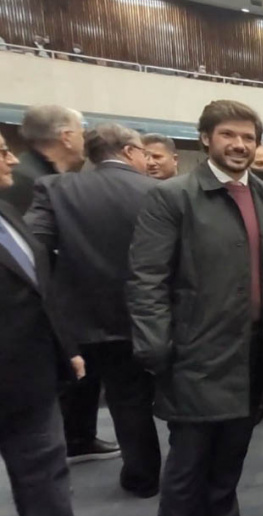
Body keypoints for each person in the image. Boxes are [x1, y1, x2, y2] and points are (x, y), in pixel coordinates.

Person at [128, 100, 263, 516]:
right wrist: (156, 350)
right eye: (228, 135)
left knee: (233, 449)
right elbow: (147, 279)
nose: (239, 145)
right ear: (205, 138)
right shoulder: (171, 197)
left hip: (255, 351)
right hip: (194, 352)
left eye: (248, 137)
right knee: (189, 460)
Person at [26, 123, 161, 496]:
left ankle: (127, 470)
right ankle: (165, 477)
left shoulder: (56, 189)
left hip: (84, 317)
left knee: (102, 395)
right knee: (150, 399)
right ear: (131, 151)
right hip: (148, 314)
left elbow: (31, 247)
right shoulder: (159, 192)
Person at [0, 129, 89, 516]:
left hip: (30, 379)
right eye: (2, 153)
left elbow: (41, 289)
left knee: (46, 476)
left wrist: (65, 347)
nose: (13, 161)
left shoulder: (9, 213)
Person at [0, 104, 84, 215]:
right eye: (82, 134)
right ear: (66, 137)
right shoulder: (27, 182)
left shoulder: (34, 175)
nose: (84, 141)